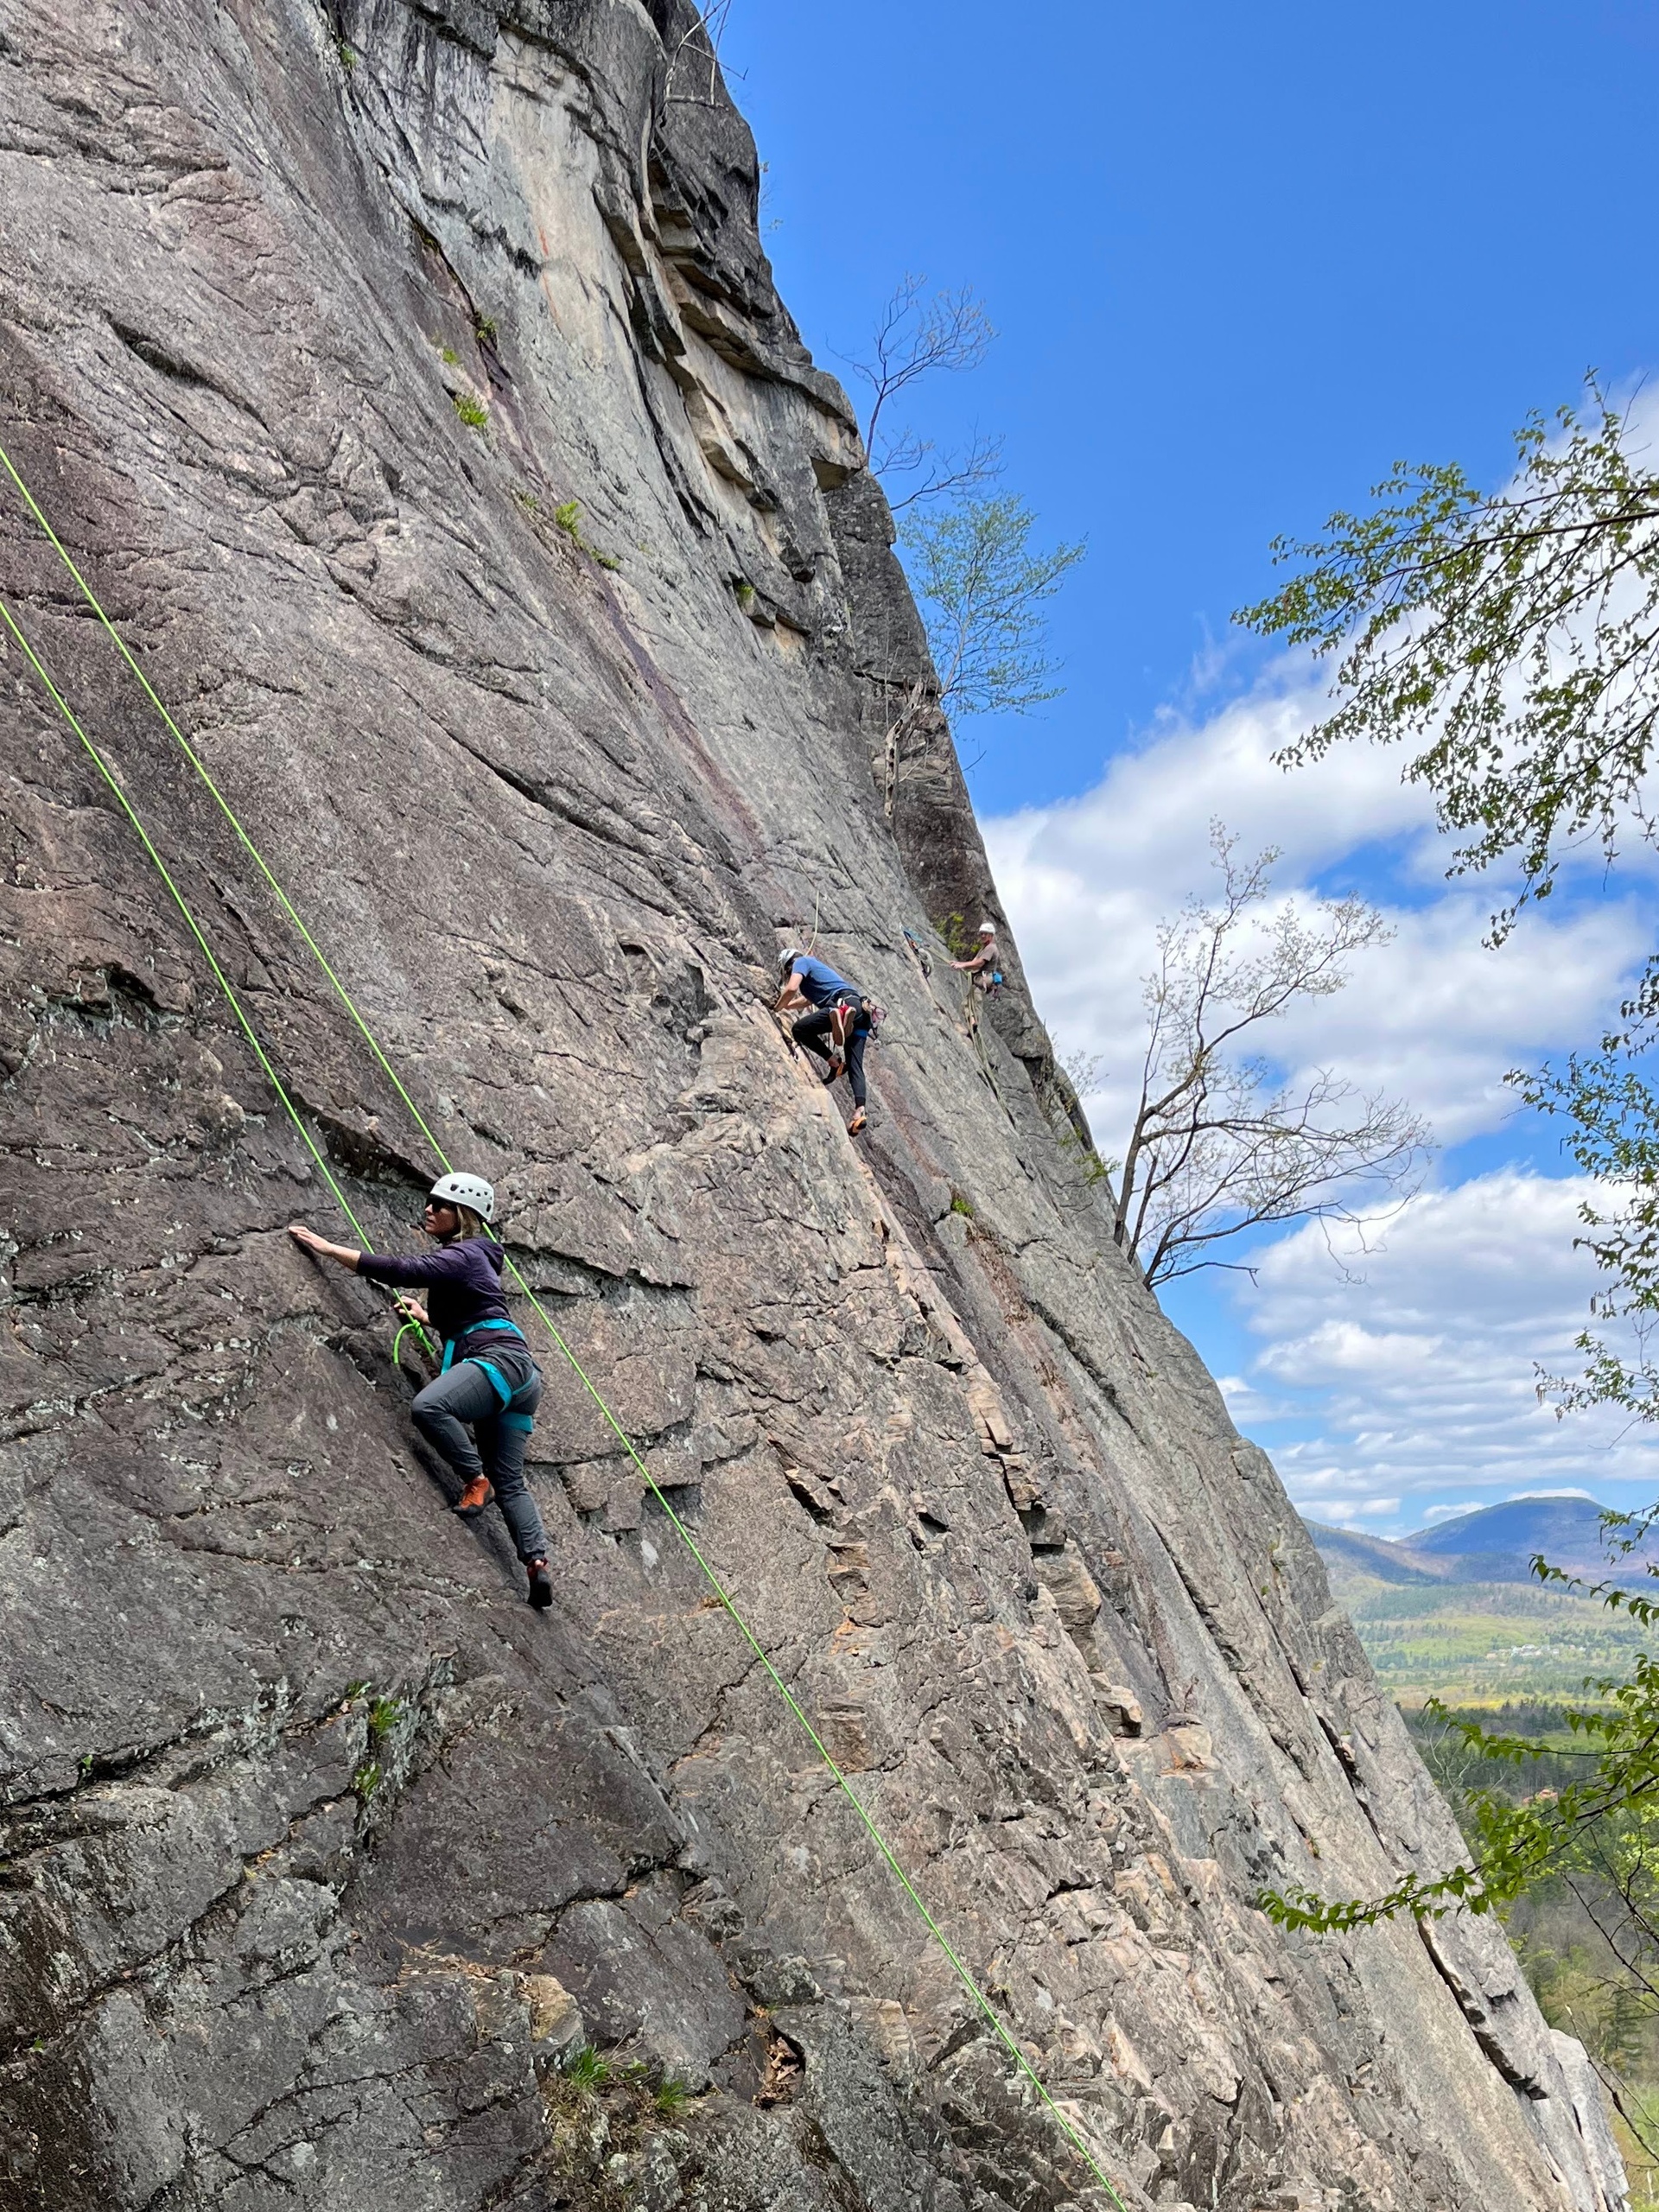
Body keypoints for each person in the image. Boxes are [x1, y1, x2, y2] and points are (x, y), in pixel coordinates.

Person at [288, 1173, 553, 1607]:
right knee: (512, 1481)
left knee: (430, 1407)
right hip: (520, 1375)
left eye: (440, 1205)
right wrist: (429, 1318)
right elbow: (476, 1314)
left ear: (462, 1215)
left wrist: (331, 1249)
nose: (429, 1209)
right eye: (428, 1201)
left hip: (498, 1361)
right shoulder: (475, 1259)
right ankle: (537, 1565)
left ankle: (473, 1479)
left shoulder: (465, 1253)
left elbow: (404, 1270)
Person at [775, 945, 872, 1136]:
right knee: (855, 1066)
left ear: (788, 967)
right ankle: (859, 1111)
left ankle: (840, 1021)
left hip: (843, 1003)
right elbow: (804, 1001)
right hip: (862, 1011)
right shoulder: (814, 975)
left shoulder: (802, 962)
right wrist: (787, 1006)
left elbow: (791, 988)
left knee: (799, 1029)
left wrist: (777, 1007)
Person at [950, 921, 1002, 991]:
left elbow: (979, 963)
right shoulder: (984, 948)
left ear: (991, 935)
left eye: (985, 934)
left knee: (973, 1000)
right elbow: (974, 962)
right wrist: (958, 964)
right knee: (968, 1001)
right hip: (980, 979)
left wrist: (962, 966)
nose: (983, 936)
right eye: (981, 934)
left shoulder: (991, 947)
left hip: (983, 980)